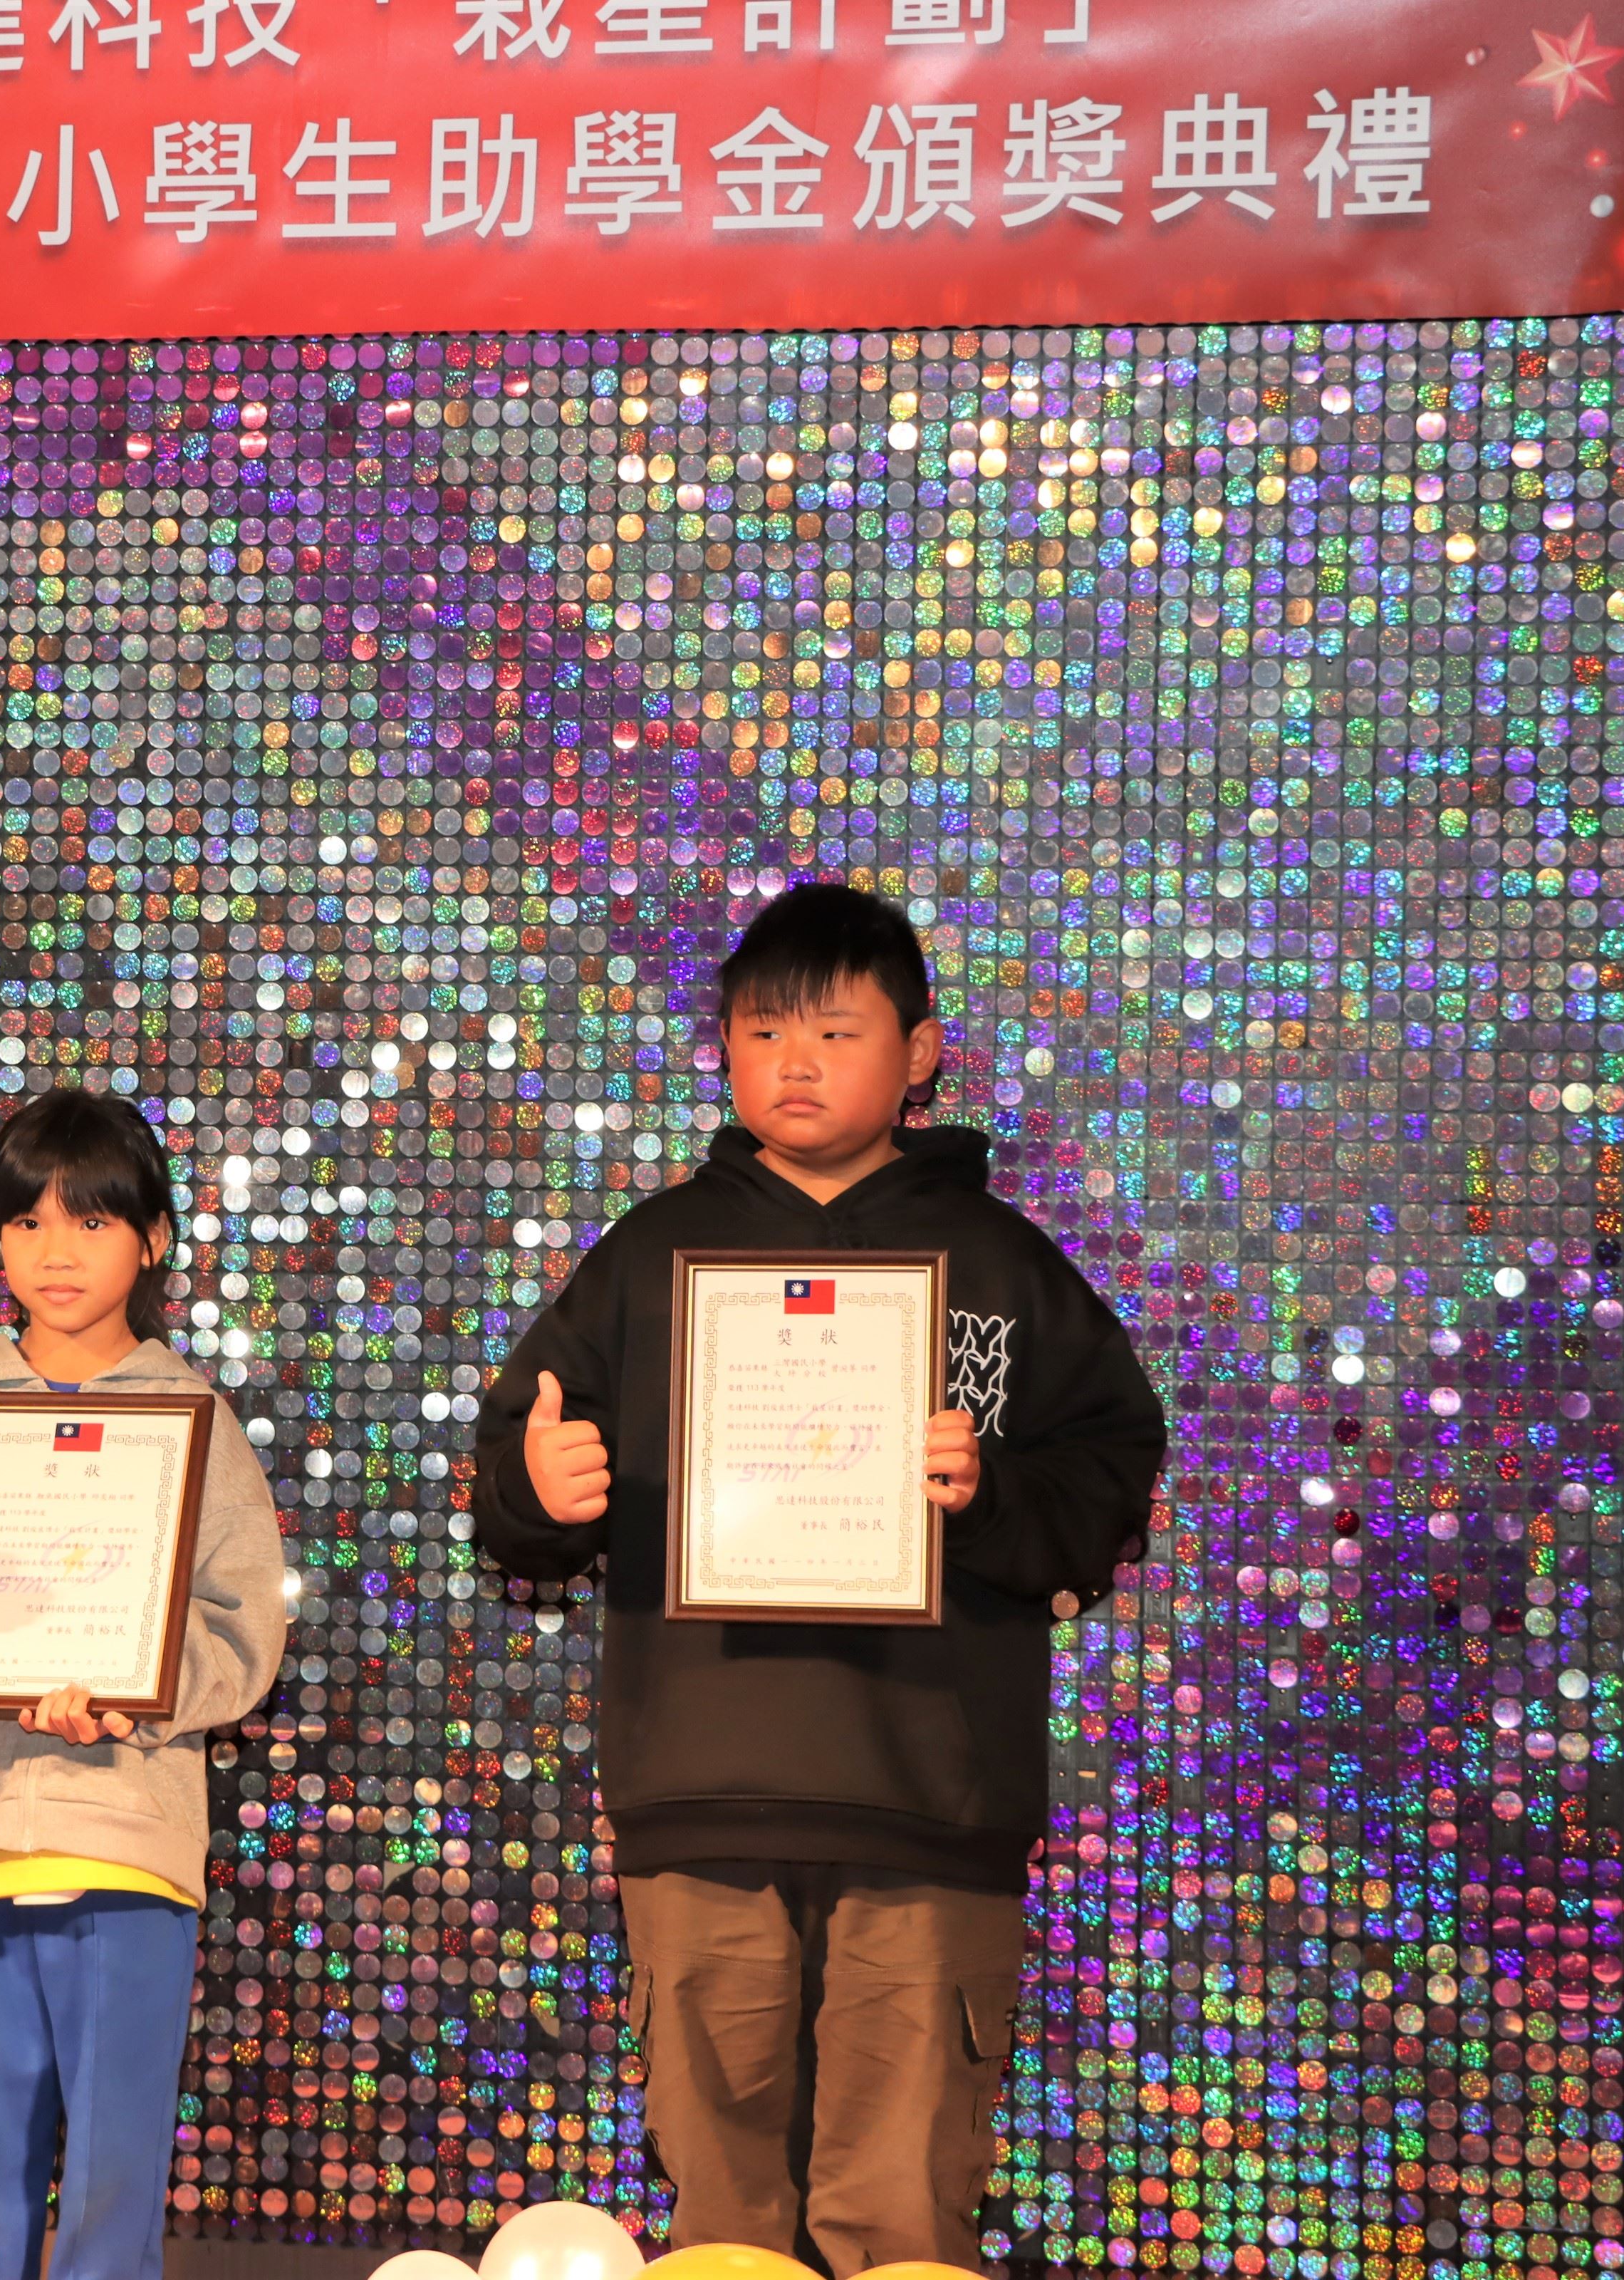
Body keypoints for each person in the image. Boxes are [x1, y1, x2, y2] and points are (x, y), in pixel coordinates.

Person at [469, 883, 1165, 2276]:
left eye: (837, 1032)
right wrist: (539, 1488)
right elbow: (521, 1461)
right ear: (723, 1050)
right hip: (701, 1796)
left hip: (930, 1804)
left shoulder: (1001, 1262)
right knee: (725, 2217)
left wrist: (987, 1494)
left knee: (900, 2212)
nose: (796, 1062)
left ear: (919, 1055)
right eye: (763, 1031)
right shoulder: (652, 1252)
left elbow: (1108, 1472)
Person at [0, 1087, 286, 2280]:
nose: (56, 1251)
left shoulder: (191, 1418)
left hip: (124, 1841)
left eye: (91, 1221)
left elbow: (242, 1632)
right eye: (28, 1222)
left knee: (112, 2191)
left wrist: (135, 1692)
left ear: (155, 1239)